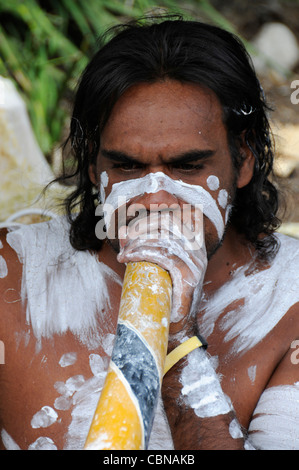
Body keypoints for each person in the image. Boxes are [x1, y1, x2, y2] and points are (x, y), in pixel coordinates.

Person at [1, 16, 299, 451]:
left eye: (187, 166)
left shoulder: (289, 304)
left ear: (245, 158)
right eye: (127, 166)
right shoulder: (13, 277)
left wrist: (178, 345)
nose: (155, 200)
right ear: (92, 166)